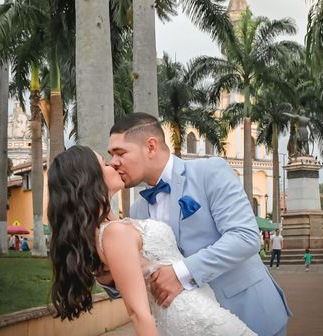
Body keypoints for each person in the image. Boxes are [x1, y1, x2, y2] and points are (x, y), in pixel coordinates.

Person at [102, 113, 289, 335]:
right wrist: (106, 274)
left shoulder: (210, 171)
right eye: (111, 155)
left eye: (120, 153)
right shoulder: (137, 210)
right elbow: (138, 282)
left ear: (150, 147)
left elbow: (245, 237)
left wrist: (181, 272)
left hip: (249, 314)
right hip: (192, 326)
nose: (114, 162)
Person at [48, 145, 257, 336]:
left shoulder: (110, 226)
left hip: (202, 310)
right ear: (88, 178)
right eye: (104, 163)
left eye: (118, 155)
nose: (113, 164)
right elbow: (139, 314)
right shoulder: (114, 233)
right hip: (192, 318)